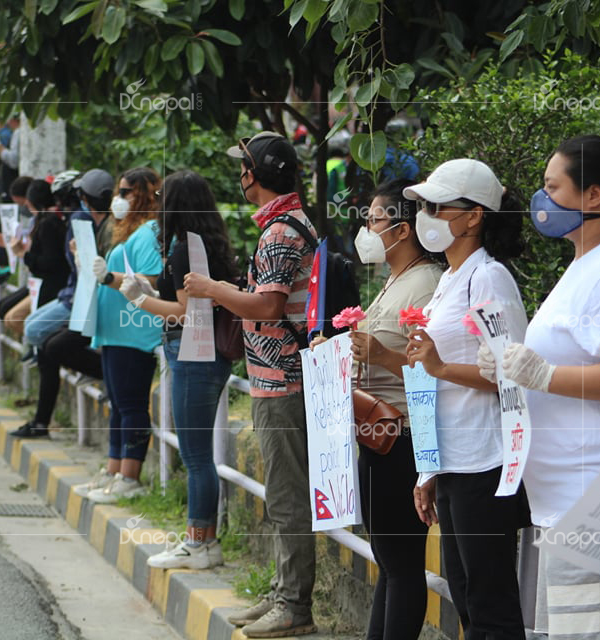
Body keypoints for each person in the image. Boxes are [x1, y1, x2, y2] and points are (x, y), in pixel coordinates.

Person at [481, 135, 600, 639]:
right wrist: (511, 368)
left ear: (593, 196)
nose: (542, 200)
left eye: (552, 186)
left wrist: (540, 374)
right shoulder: (589, 264)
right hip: (568, 503)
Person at [184, 131, 318, 638]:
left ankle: (294, 607)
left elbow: (268, 306)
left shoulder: (281, 232)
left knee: (286, 496)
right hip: (273, 376)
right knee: (282, 493)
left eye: (244, 167)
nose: (240, 176)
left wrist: (213, 289)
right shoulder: (279, 227)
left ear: (257, 173)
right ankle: (285, 596)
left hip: (283, 380)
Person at [403, 158, 531, 639]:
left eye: (437, 206)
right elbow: (428, 377)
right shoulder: (448, 280)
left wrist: (438, 366)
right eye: (424, 207)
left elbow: (512, 373)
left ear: (474, 215)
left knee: (489, 600)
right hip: (455, 462)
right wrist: (429, 469)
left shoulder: (488, 278)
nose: (427, 216)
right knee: (465, 594)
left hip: (486, 463)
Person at [311, 178, 443, 639]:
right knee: (389, 562)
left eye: (373, 219)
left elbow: (433, 369)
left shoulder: (426, 285)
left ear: (403, 229)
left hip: (402, 437)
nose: (365, 229)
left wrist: (378, 354)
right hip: (377, 436)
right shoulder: (396, 282)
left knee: (401, 564)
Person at [122, 169, 240, 569]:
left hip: (191, 351)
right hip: (209, 354)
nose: (157, 203)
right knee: (198, 454)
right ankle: (203, 541)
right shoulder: (207, 242)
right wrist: (152, 291)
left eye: (162, 196)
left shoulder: (182, 249)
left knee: (195, 456)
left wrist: (139, 300)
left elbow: (185, 312)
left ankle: (198, 543)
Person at [81, 167, 163, 503]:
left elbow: (150, 280)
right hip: (115, 330)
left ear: (145, 194)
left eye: (127, 191)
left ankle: (131, 476)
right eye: (120, 190)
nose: (120, 198)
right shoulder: (127, 232)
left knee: (131, 404)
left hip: (135, 330)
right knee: (117, 403)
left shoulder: (150, 232)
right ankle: (115, 469)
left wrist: (108, 277)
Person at [13, 169, 112, 441]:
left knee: (42, 340)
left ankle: (104, 374)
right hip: (73, 294)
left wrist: (25, 255)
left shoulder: (81, 219)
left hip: (83, 299)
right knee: (41, 341)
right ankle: (40, 420)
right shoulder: (75, 220)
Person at [22, 169, 113, 352]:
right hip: (74, 291)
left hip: (81, 294)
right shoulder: (86, 219)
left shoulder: (80, 218)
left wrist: (77, 255)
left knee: (36, 333)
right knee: (32, 327)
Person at [2, 180, 69, 338]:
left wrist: (24, 255)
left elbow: (50, 261)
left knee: (18, 319)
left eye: (29, 204)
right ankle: (38, 348)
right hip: (44, 284)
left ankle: (40, 347)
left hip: (51, 286)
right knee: (10, 315)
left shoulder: (48, 223)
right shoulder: (47, 220)